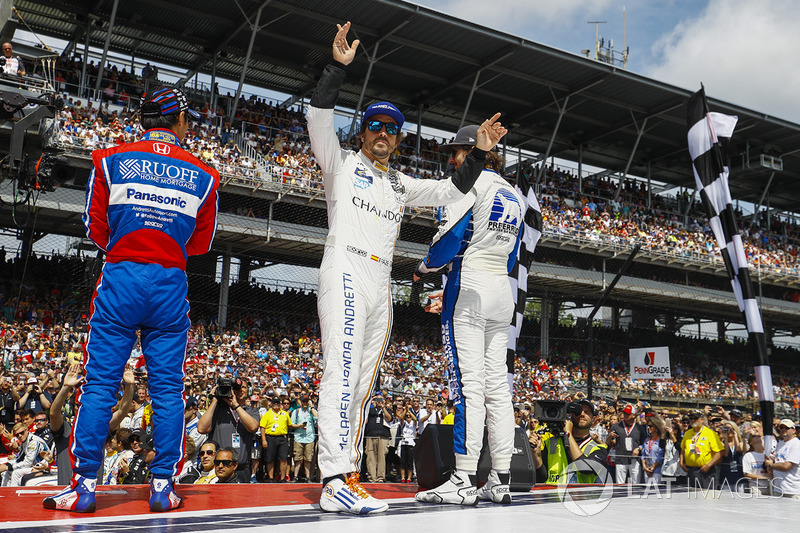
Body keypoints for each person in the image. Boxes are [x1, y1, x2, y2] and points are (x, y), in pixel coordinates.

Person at [308, 22, 507, 516]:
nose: (383, 134)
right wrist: (336, 69)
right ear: (363, 131)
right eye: (376, 126)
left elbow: (450, 190)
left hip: (382, 280)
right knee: (342, 370)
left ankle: (346, 474)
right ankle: (332, 477)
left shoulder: (399, 184)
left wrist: (480, 153)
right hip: (346, 267)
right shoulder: (340, 163)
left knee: (362, 382)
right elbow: (317, 116)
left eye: (392, 129)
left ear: (398, 140)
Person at [43, 86, 220, 514]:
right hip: (170, 281)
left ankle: (83, 484)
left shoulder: (108, 160)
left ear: (143, 121)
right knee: (168, 389)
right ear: (179, 121)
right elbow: (201, 243)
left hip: (122, 274)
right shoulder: (205, 174)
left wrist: (130, 244)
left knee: (100, 384)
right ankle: (162, 486)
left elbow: (94, 226)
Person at [413, 122, 524, 506]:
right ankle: (500, 480)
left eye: (454, 154)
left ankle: (461, 480)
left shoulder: (467, 183)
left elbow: (447, 243)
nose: (450, 162)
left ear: (470, 152)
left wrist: (424, 268)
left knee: (467, 386)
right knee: (498, 389)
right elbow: (513, 257)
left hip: (470, 286)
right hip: (500, 289)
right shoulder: (515, 194)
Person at [529, 400, 609, 486]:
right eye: (578, 412)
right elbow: (541, 478)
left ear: (594, 418)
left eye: (587, 412)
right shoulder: (550, 442)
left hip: (581, 497)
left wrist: (568, 434)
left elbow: (585, 469)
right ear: (571, 415)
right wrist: (536, 455)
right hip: (552, 495)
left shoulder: (600, 448)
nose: (582, 414)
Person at [197, 377, 260, 483]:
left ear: (248, 391)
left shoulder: (251, 411)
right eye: (235, 388)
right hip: (219, 468)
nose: (239, 390)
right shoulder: (217, 410)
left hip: (242, 469)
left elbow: (253, 427)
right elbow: (201, 428)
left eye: (243, 387)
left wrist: (236, 406)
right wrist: (214, 401)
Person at [679, 410, 723, 490]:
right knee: (690, 497)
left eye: (695, 418)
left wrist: (709, 465)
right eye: (691, 418)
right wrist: (681, 462)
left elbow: (719, 452)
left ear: (702, 419)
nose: (692, 420)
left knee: (706, 497)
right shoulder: (687, 433)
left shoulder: (710, 433)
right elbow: (682, 449)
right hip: (691, 470)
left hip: (705, 471)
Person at [0, 422, 50, 486]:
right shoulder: (24, 441)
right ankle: (4, 493)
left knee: (16, 473)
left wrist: (9, 467)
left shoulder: (34, 442)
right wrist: (6, 465)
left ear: (26, 430)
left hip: (41, 467)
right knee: (6, 472)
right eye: (17, 435)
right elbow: (19, 458)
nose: (20, 436)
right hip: (33, 465)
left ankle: (14, 494)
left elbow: (27, 463)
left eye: (21, 433)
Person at [607, 404, 646, 484]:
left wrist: (638, 448)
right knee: (620, 484)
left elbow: (645, 443)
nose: (625, 415)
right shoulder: (616, 426)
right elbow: (607, 442)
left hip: (635, 459)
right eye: (624, 413)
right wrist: (610, 437)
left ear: (633, 415)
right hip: (621, 458)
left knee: (635, 484)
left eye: (627, 414)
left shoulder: (640, 428)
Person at [765, 418, 800, 498]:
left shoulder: (796, 444)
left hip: (792, 490)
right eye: (781, 427)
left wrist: (771, 465)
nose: (784, 429)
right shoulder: (780, 444)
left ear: (794, 431)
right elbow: (777, 460)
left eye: (787, 428)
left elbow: (786, 466)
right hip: (778, 488)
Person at [260, 397, 291, 482]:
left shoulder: (285, 414)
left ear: (280, 404)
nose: (276, 404)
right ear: (272, 404)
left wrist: (300, 426)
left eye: (278, 403)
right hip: (270, 437)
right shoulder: (267, 414)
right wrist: (264, 440)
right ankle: (270, 478)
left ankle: (282, 478)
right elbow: (262, 427)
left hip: (282, 438)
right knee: (270, 459)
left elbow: (289, 425)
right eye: (275, 403)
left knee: (283, 459)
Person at [364, 393, 392, 483]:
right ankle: (372, 477)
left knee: (381, 457)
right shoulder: (370, 410)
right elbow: (365, 421)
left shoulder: (387, 409)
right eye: (377, 400)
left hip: (382, 436)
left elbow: (389, 418)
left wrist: (383, 407)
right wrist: (369, 404)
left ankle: (380, 477)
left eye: (381, 400)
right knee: (370, 457)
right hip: (370, 435)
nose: (379, 402)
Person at [290, 395, 317, 483]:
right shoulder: (296, 411)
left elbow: (317, 417)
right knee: (298, 458)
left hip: (309, 438)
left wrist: (312, 406)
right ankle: (295, 476)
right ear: (301, 402)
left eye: (307, 401)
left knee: (308, 459)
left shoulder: (311, 411)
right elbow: (291, 424)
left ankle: (308, 477)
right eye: (304, 401)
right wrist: (299, 426)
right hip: (299, 437)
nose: (305, 403)